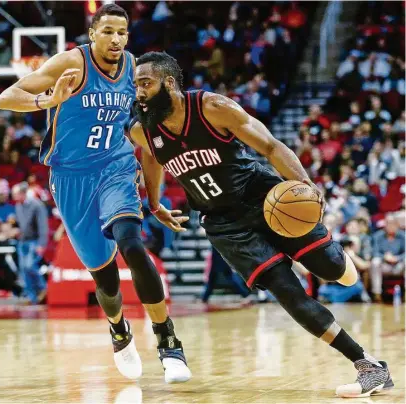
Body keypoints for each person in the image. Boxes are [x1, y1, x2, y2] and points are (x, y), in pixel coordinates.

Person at [129, 51, 393, 398]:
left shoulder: (212, 108)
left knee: (329, 268)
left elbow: (269, 145)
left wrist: (306, 185)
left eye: (145, 83)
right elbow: (151, 158)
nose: (139, 92)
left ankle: (335, 258)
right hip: (224, 224)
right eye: (135, 85)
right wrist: (153, 203)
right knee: (289, 294)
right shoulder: (142, 128)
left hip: (264, 198)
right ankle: (368, 366)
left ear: (168, 83)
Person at [0, 6, 191, 384]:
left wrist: (154, 201)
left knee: (132, 244)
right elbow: (7, 97)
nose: (116, 39)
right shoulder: (71, 62)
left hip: (116, 168)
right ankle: (119, 331)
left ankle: (168, 341)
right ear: (93, 33)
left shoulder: (136, 71)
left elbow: (150, 145)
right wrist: (47, 101)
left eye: (123, 32)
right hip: (70, 178)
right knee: (105, 280)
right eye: (108, 32)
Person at [12, 182, 48, 304]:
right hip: (22, 241)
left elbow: (43, 225)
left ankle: (43, 289)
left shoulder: (36, 205)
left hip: (34, 241)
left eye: (16, 194)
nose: (14, 197)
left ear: (23, 193)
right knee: (23, 269)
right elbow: (21, 224)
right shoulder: (17, 206)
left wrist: (42, 244)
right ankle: (31, 297)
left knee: (30, 266)